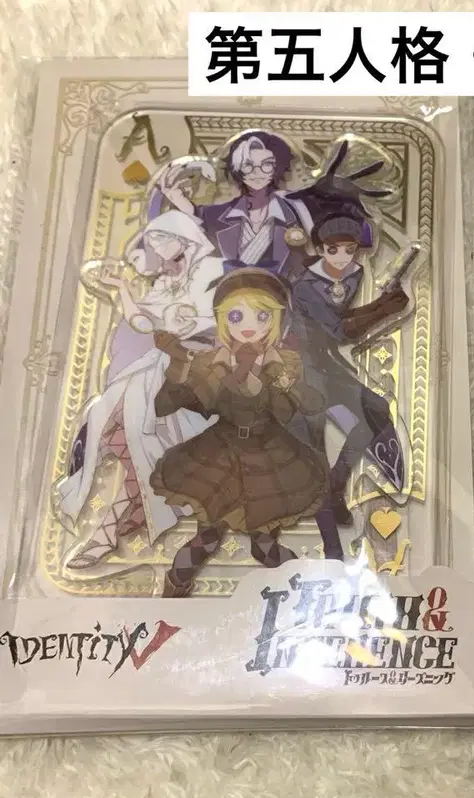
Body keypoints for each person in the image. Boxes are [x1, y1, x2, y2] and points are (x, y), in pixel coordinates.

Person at [148, 268, 335, 597]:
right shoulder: (208, 361)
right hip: (221, 453)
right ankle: (171, 598)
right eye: (236, 315)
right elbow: (165, 406)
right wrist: (179, 364)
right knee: (207, 538)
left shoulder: (285, 362)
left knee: (264, 546)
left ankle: (304, 598)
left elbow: (309, 406)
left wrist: (282, 381)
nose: (248, 325)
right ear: (223, 319)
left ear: (276, 320)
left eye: (262, 315)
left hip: (268, 455)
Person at [57, 210, 224, 568]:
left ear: (184, 237)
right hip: (155, 365)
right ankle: (114, 525)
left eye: (163, 239)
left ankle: (108, 531)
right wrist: (122, 290)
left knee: (139, 438)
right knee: (107, 424)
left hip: (192, 372)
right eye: (154, 242)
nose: (157, 249)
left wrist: (189, 324)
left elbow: (221, 321)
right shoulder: (163, 282)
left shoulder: (211, 270)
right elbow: (144, 323)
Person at [286, 214, 409, 526]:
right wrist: (385, 310)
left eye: (350, 250)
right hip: (303, 368)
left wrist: (382, 303)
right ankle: (322, 497)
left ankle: (335, 487)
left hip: (326, 364)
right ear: (320, 249)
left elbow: (342, 316)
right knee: (315, 433)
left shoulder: (352, 274)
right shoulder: (305, 287)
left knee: (375, 409)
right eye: (333, 250)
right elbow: (340, 331)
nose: (342, 257)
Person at [150, 132, 388, 278]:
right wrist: (177, 199)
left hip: (286, 309)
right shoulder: (223, 214)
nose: (257, 173)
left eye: (266, 165)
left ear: (277, 168)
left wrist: (344, 197)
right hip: (230, 309)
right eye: (248, 166)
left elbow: (358, 233)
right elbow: (197, 222)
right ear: (238, 169)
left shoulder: (299, 208)